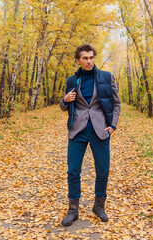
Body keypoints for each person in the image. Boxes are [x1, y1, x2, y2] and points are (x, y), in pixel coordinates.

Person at [59, 44, 121, 226]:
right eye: (85, 58)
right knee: (73, 171)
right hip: (77, 131)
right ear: (77, 60)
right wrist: (64, 100)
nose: (89, 61)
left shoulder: (106, 77)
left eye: (91, 57)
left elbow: (117, 104)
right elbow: (63, 106)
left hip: (100, 130)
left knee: (103, 171)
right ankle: (73, 210)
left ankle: (99, 206)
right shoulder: (72, 80)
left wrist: (113, 126)